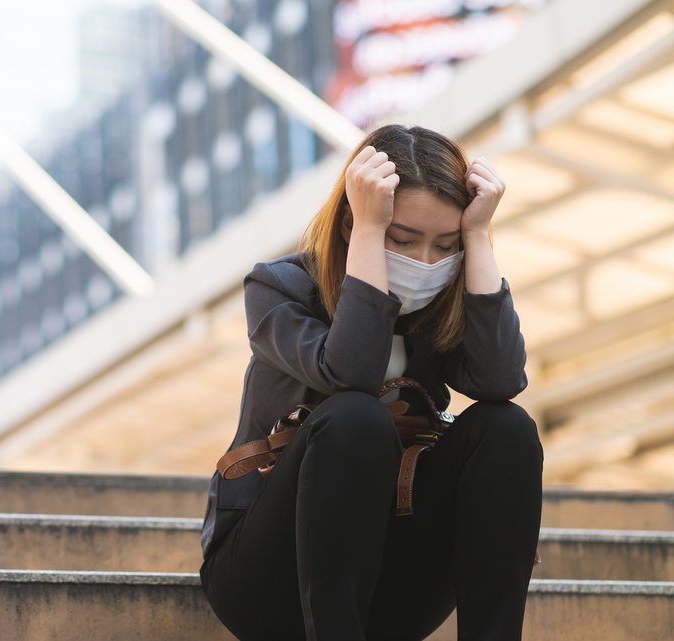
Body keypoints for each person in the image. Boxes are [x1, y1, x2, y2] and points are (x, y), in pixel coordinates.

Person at [199, 124, 543, 641]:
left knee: (508, 428)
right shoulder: (279, 289)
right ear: (349, 224)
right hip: (268, 580)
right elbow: (351, 374)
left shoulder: (438, 306)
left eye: (444, 245)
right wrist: (367, 233)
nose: (425, 263)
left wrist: (476, 236)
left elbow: (500, 379)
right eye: (402, 239)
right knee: (354, 416)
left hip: (390, 583)